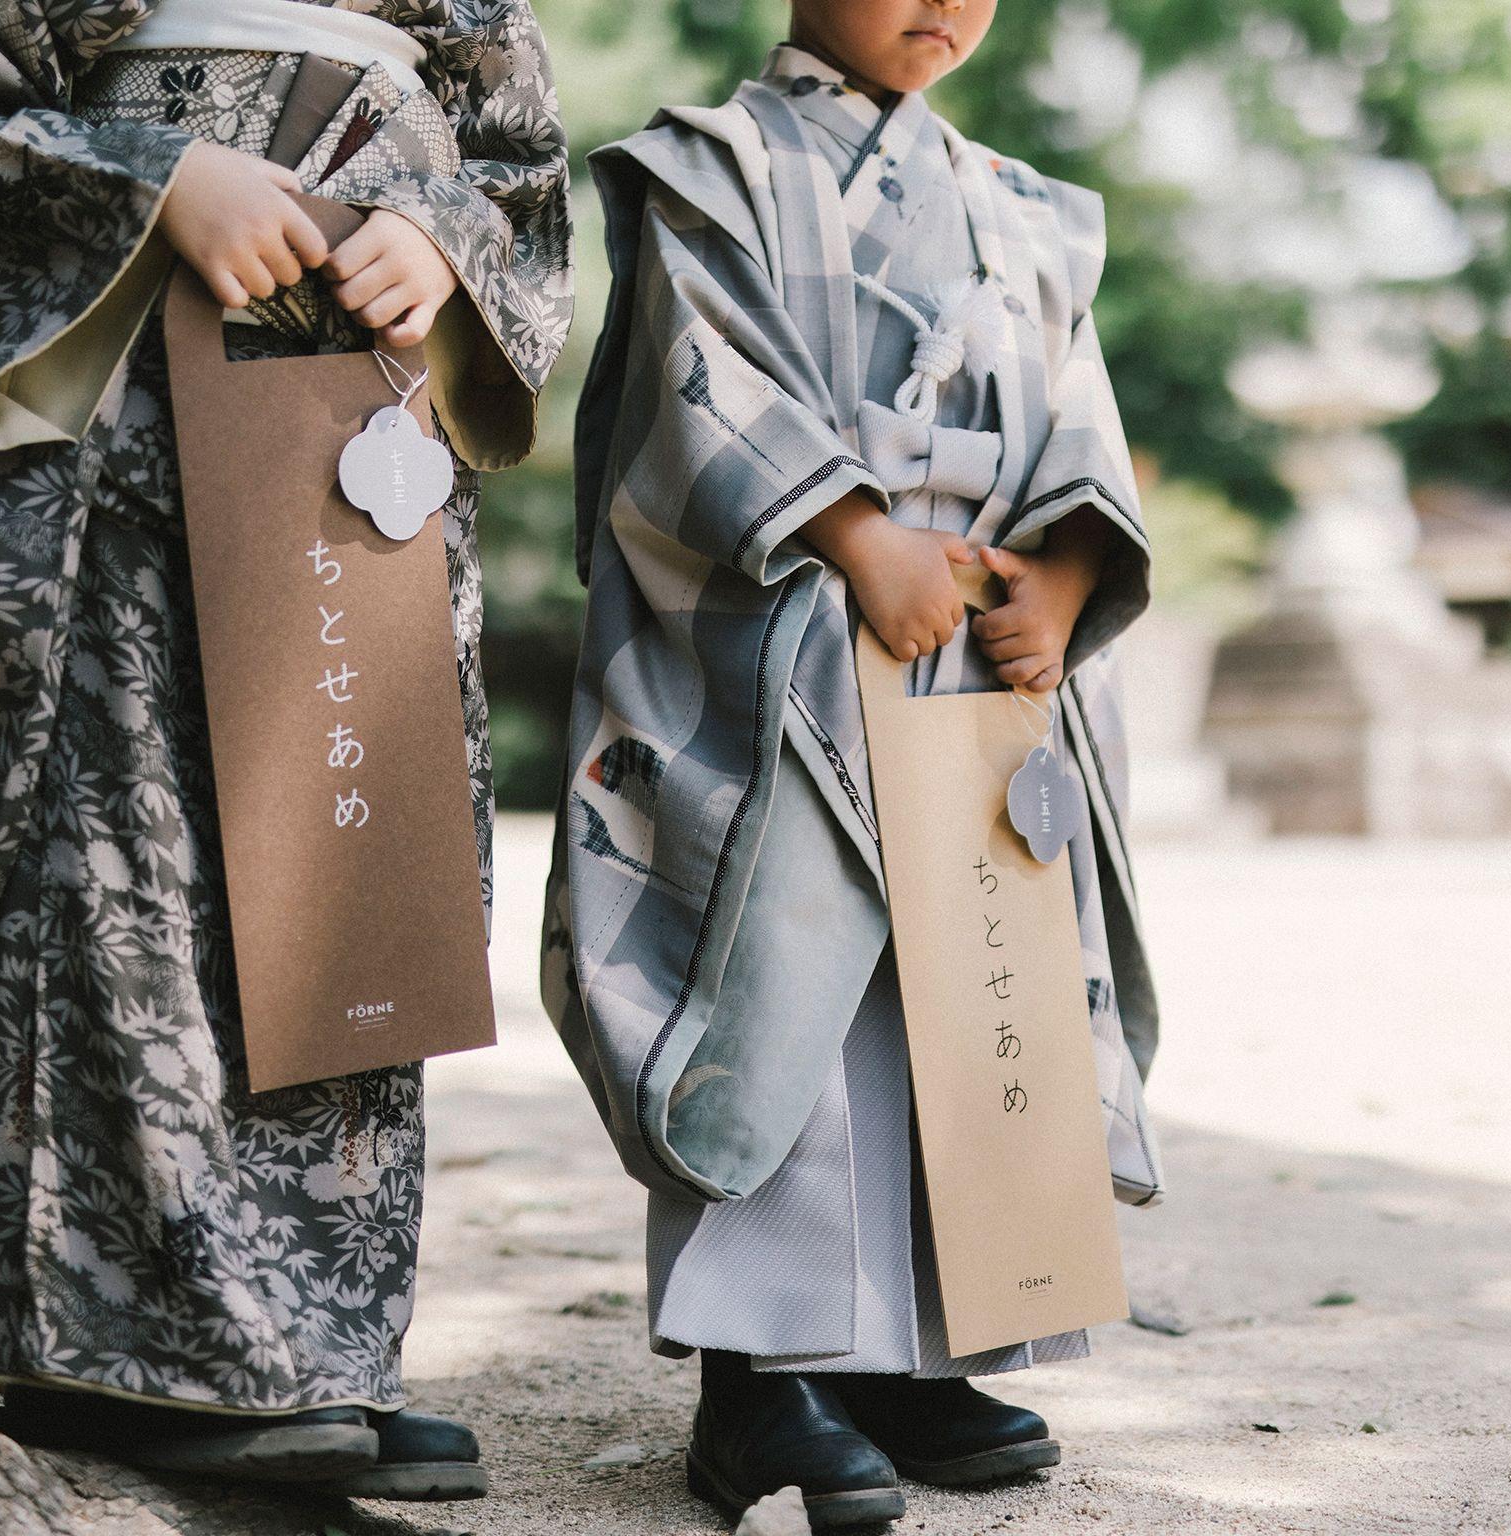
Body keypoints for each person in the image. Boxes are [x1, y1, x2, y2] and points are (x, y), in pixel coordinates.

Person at [0, 0, 570, 1496]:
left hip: (355, 398)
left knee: (345, 837)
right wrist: (154, 179)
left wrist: (437, 235)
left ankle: (309, 1353)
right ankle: (96, 1348)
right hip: (121, 419)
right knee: (126, 847)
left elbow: (521, 158)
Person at [542, 0, 1163, 1525]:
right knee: (786, 982)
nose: (944, 5)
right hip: (790, 643)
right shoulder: (716, 170)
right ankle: (764, 1384)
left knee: (965, 991)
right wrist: (857, 531)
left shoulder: (1024, 207)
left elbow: (1078, 416)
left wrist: (1069, 582)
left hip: (978, 637)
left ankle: (918, 1359)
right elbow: (703, 391)